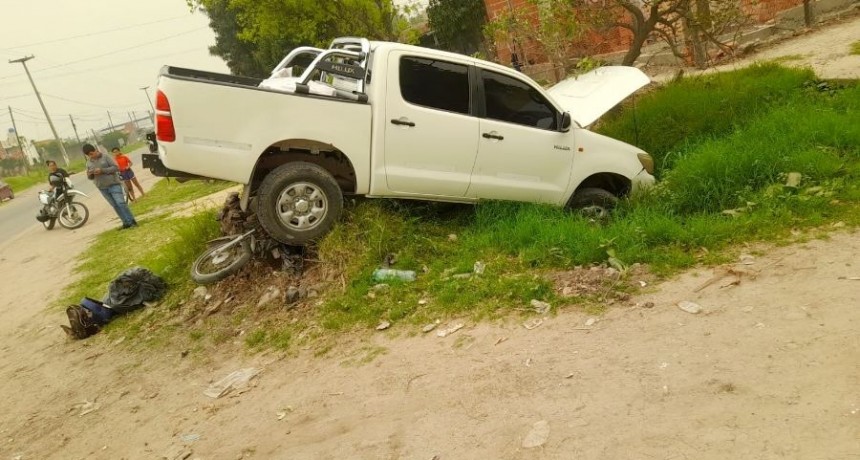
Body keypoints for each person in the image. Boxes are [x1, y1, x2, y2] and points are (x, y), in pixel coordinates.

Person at [82, 143, 138, 229]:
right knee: (115, 205)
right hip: (102, 187)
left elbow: (116, 167)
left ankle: (132, 221)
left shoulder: (105, 157)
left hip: (114, 184)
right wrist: (90, 174)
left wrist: (102, 170)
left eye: (91, 153)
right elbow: (90, 177)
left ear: (95, 150)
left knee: (120, 203)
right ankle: (126, 222)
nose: (91, 156)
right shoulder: (88, 163)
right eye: (88, 155)